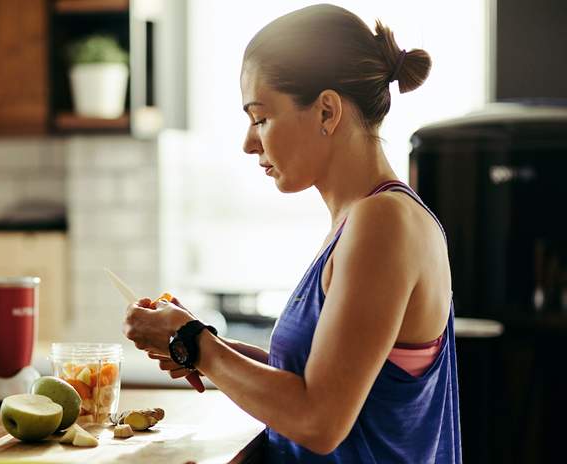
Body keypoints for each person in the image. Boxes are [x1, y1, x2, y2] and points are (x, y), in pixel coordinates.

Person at [122, 4, 461, 463]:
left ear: (326, 110)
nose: (249, 141)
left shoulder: (384, 224)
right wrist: (202, 340)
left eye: (260, 117)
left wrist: (194, 346)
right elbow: (322, 383)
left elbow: (319, 421)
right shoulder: (363, 221)